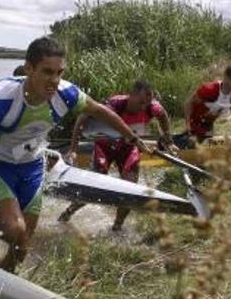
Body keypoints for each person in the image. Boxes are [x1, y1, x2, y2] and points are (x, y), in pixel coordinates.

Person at [0, 36, 149, 272]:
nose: (54, 80)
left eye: (59, 72)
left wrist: (132, 137)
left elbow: (100, 111)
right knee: (16, 230)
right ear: (29, 68)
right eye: (47, 72)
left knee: (22, 249)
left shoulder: (66, 94)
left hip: (33, 167)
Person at [58, 79, 175, 231]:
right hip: (105, 146)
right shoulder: (114, 104)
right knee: (95, 185)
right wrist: (73, 148)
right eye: (140, 102)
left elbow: (163, 116)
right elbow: (82, 118)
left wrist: (168, 140)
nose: (143, 107)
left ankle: (117, 228)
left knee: (130, 189)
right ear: (131, 95)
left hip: (129, 148)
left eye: (146, 103)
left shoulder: (152, 107)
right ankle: (69, 212)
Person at [176, 64, 231, 148]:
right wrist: (187, 124)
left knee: (206, 147)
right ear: (225, 77)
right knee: (190, 144)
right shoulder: (209, 89)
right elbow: (189, 103)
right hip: (193, 124)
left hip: (208, 126)